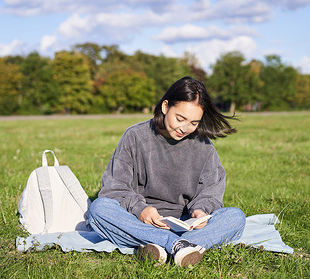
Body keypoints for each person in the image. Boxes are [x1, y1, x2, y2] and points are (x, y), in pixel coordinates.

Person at [89, 77, 246, 267]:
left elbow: (211, 190)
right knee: (99, 209)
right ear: (165, 107)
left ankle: (158, 246)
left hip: (185, 225)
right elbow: (114, 188)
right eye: (180, 119)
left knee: (235, 217)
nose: (185, 128)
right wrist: (140, 210)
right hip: (140, 221)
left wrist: (200, 210)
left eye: (194, 123)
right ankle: (178, 246)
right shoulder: (135, 136)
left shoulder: (203, 145)